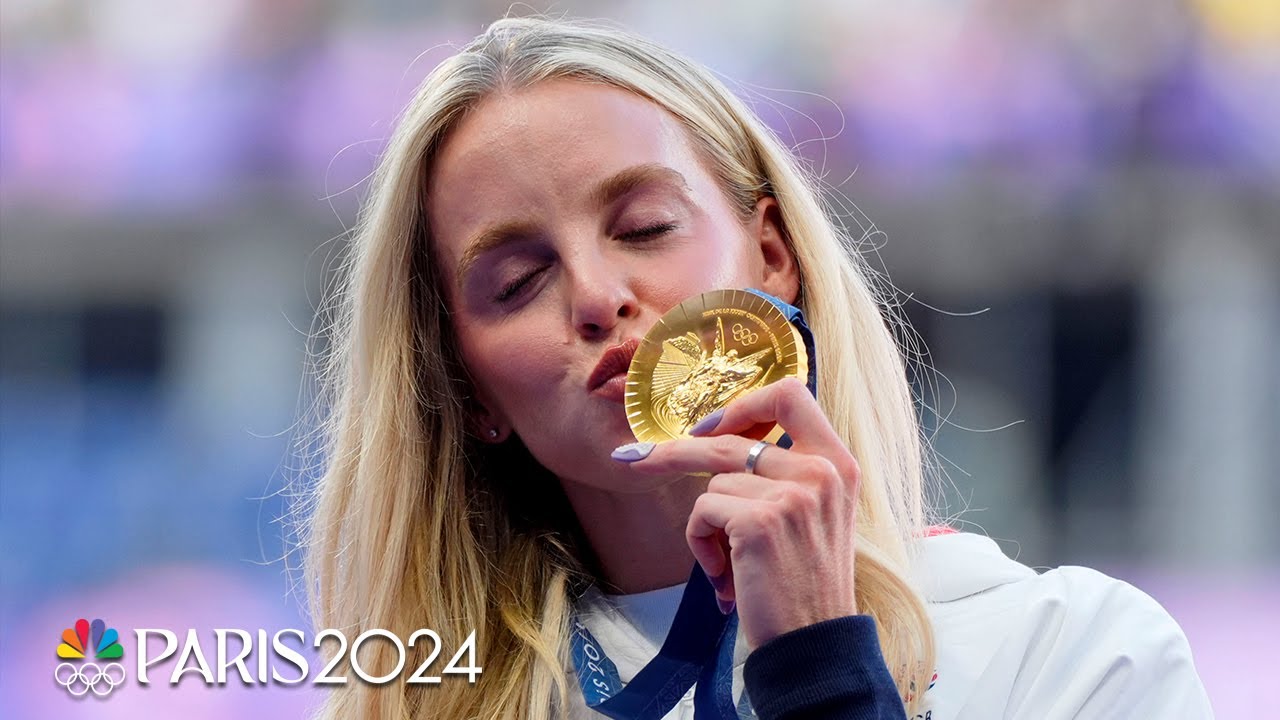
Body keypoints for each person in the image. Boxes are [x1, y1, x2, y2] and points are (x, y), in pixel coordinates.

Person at [298, 16, 1213, 720]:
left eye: (646, 227)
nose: (596, 294)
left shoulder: (1072, 654)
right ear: (469, 393)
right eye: (517, 280)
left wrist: (821, 663)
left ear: (773, 254)